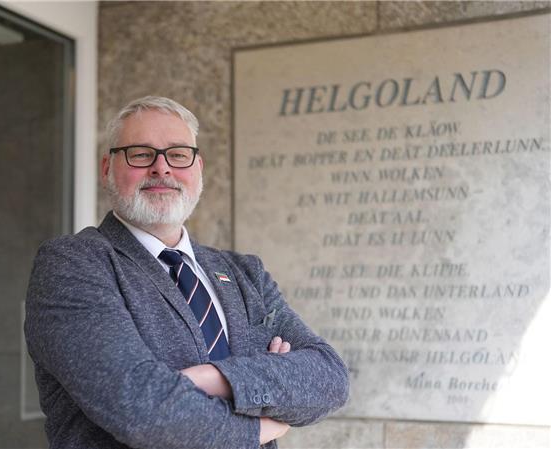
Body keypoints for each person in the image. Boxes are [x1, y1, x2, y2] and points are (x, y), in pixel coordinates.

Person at [24, 96, 349, 449]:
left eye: (178, 154)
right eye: (140, 153)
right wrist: (258, 427)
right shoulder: (75, 263)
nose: (161, 168)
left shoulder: (245, 274)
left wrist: (214, 377)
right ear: (107, 168)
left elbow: (330, 378)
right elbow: (141, 409)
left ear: (198, 168)